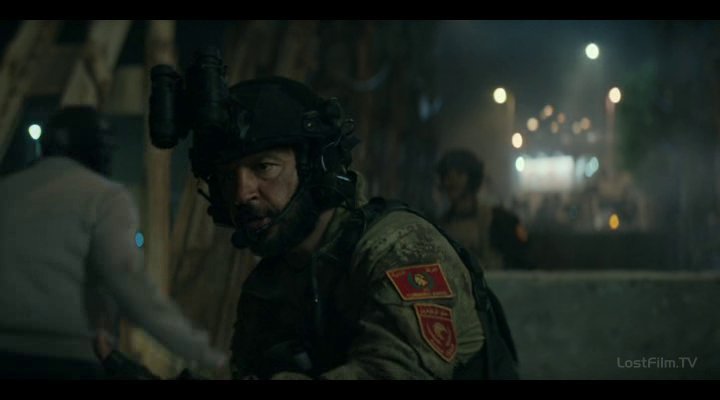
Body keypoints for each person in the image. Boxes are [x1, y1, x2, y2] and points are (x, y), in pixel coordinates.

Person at [179, 76, 518, 379]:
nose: (242, 194)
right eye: (228, 177)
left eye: (264, 167)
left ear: (316, 166)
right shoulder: (274, 280)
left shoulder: (398, 248)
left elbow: (395, 371)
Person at [0, 106, 226, 379]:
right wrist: (205, 354)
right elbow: (129, 283)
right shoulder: (104, 197)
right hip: (69, 359)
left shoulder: (6, 190)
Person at [436, 149, 533, 271]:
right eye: (447, 175)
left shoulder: (499, 220)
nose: (451, 181)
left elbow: (521, 261)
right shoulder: (441, 226)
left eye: (459, 174)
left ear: (472, 178)